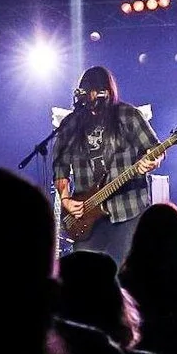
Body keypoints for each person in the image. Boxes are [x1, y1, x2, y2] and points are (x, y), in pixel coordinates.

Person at [54, 66, 163, 264]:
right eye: (89, 91)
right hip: (86, 216)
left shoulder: (128, 115)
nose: (93, 96)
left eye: (98, 90)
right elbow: (60, 168)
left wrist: (151, 161)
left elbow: (156, 149)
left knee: (123, 275)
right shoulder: (70, 124)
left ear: (107, 91)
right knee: (86, 275)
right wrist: (66, 199)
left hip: (127, 210)